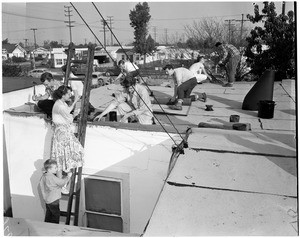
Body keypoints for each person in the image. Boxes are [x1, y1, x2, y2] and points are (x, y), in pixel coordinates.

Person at [51, 85, 84, 187]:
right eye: (69, 94)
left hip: (63, 131)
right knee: (63, 156)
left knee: (61, 156)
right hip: (62, 132)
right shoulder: (60, 105)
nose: (70, 95)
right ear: (63, 94)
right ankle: (64, 181)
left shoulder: (61, 103)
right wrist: (75, 114)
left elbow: (67, 111)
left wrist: (74, 102)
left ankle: (63, 181)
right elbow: (69, 118)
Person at [39, 159, 72, 224]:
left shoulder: (44, 176)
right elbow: (62, 182)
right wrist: (68, 176)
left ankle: (46, 227)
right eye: (55, 167)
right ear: (49, 169)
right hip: (54, 200)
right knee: (55, 216)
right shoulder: (52, 177)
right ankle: (54, 229)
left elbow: (41, 185)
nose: (57, 169)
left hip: (47, 199)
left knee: (48, 215)